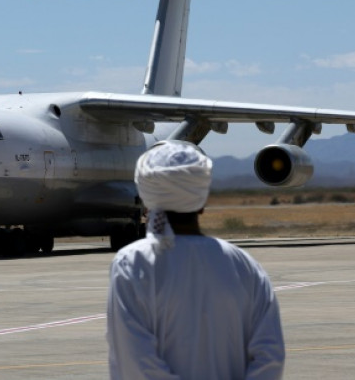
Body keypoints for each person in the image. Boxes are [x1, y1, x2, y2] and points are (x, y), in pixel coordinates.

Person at [107, 140, 285, 379]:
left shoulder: (133, 264)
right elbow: (270, 357)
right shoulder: (243, 265)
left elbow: (136, 364)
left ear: (147, 198)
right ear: (202, 202)